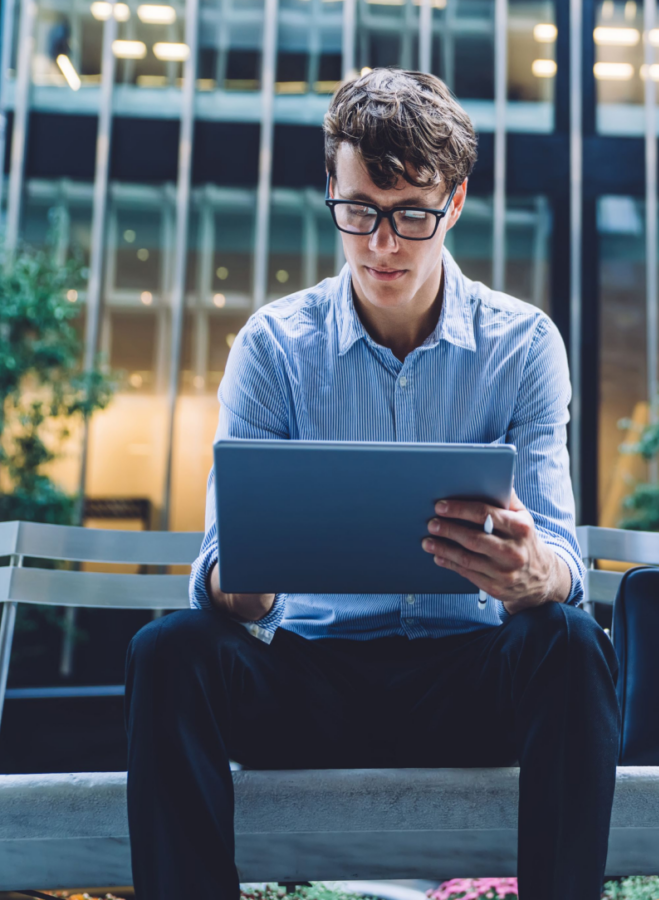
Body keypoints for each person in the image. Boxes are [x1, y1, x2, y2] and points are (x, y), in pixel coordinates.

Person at [124, 69, 619, 900]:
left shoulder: (524, 346)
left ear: (454, 203)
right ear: (331, 190)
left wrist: (540, 574)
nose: (381, 244)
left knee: (569, 644)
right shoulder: (273, 347)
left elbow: (564, 556)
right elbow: (219, 577)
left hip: (468, 684)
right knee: (168, 653)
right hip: (312, 681)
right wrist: (245, 581)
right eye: (358, 211)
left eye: (411, 216)